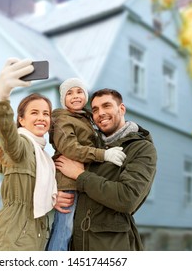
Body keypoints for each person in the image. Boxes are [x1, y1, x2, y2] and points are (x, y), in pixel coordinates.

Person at [54, 88, 157, 251]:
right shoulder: (88, 146)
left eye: (106, 106)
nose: (100, 113)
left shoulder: (141, 149)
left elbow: (127, 198)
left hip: (111, 246)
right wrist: (53, 195)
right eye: (95, 109)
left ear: (121, 109)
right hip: (75, 244)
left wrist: (80, 176)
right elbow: (57, 168)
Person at [0, 58, 57, 251]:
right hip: (12, 242)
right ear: (21, 120)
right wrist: (1, 96)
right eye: (34, 113)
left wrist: (57, 197)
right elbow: (7, 131)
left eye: (46, 113)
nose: (41, 117)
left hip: (33, 239)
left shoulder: (44, 158)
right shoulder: (22, 146)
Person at [46, 79, 126, 251]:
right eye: (69, 93)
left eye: (79, 91)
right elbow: (70, 149)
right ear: (63, 99)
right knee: (64, 230)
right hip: (68, 183)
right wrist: (104, 154)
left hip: (82, 181)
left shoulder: (85, 117)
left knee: (75, 231)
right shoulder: (61, 119)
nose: (75, 96)